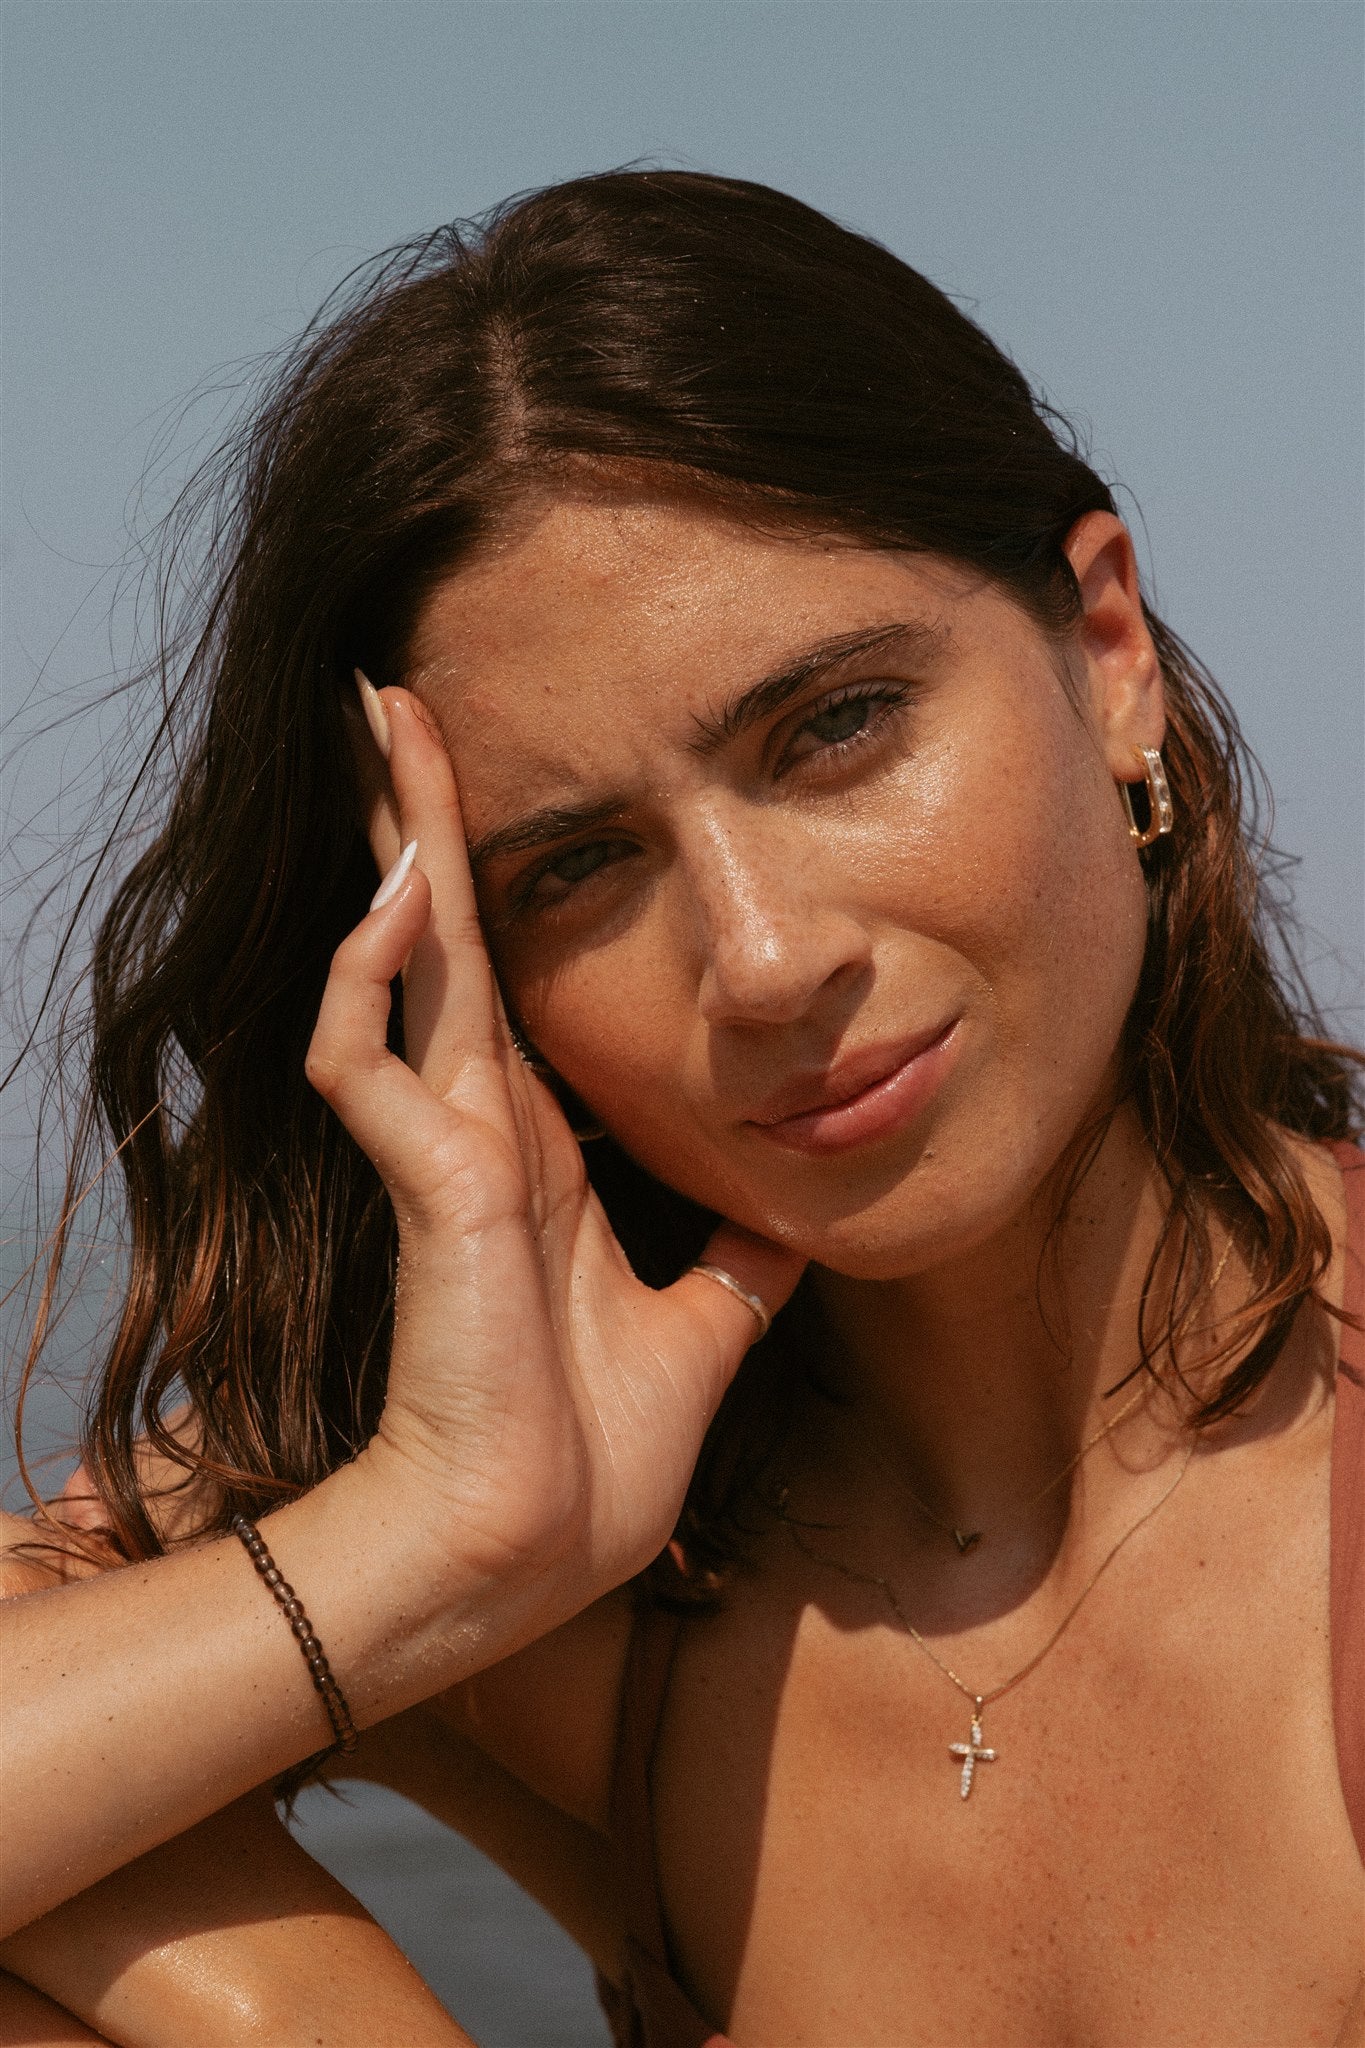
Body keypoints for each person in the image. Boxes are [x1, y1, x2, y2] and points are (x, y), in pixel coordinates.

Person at [0, 169, 1360, 2048]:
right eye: (573, 868)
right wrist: (432, 1550)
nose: (758, 957)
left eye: (835, 726)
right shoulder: (597, 1588)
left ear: (1104, 651)